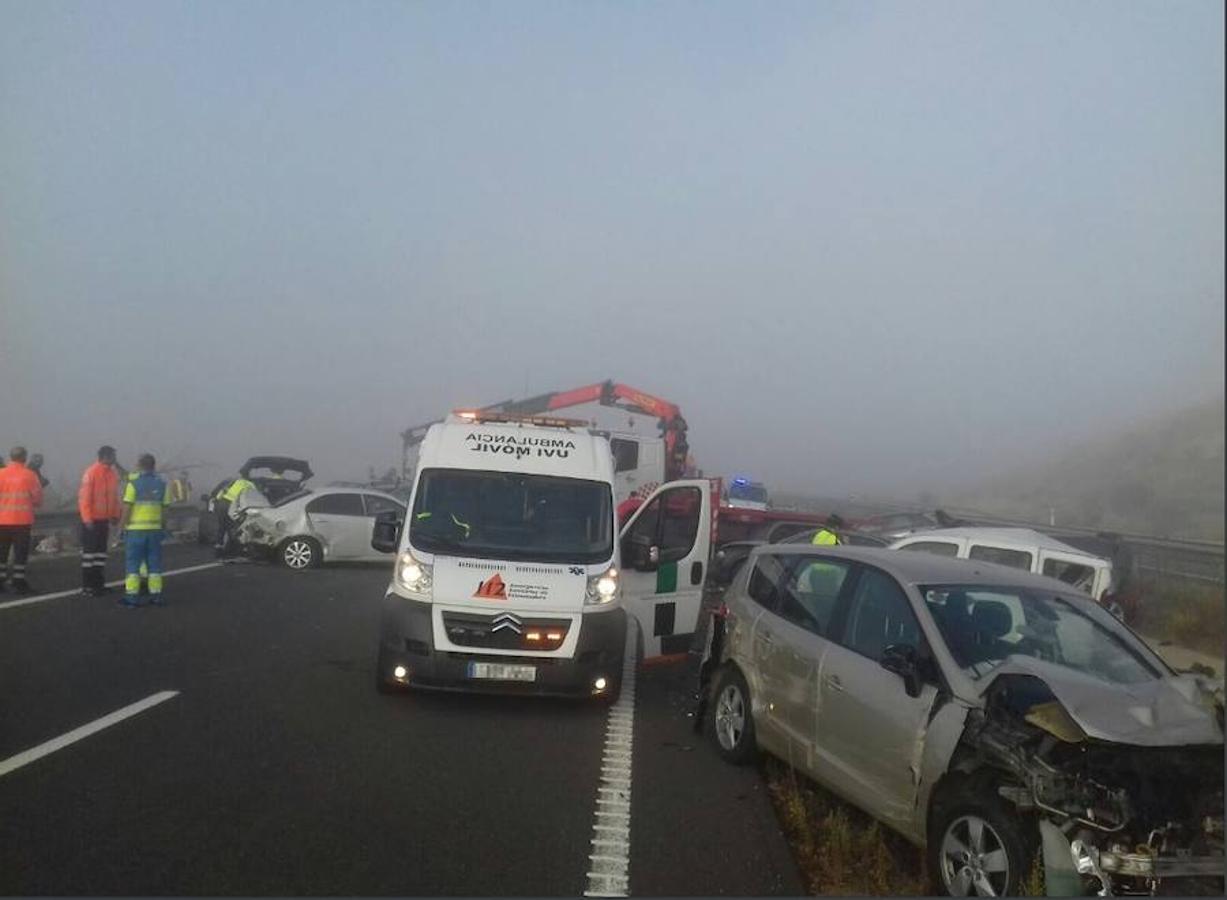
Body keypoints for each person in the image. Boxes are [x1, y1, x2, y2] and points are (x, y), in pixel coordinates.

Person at [117, 453, 171, 607]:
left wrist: (120, 528)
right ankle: (156, 596)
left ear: (139, 466)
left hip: (135, 531)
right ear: (153, 466)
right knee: (154, 564)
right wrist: (163, 527)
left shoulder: (133, 484)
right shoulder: (162, 484)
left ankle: (132, 598)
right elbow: (165, 510)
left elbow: (127, 508)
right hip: (154, 530)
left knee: (133, 564)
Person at [0, 446, 45, 594]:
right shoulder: (30, 475)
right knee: (20, 553)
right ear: (24, 457)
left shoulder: (1, 474)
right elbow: (38, 500)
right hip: (22, 521)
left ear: (11, 457)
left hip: (2, 521)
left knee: (2, 553)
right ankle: (19, 582)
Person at [78, 445, 121, 596]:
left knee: (101, 554)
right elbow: (84, 498)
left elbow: (114, 497)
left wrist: (115, 515)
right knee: (89, 555)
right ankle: (87, 587)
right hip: (92, 521)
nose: (115, 459)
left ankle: (98, 584)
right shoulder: (91, 472)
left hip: (104, 521)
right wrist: (87, 519)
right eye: (113, 456)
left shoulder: (112, 474)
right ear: (105, 456)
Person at [214, 472, 256, 559]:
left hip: (222, 504)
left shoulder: (234, 481)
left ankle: (218, 549)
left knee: (222, 527)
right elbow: (253, 497)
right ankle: (234, 550)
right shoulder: (250, 484)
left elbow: (219, 495)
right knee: (233, 527)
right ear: (249, 478)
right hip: (232, 505)